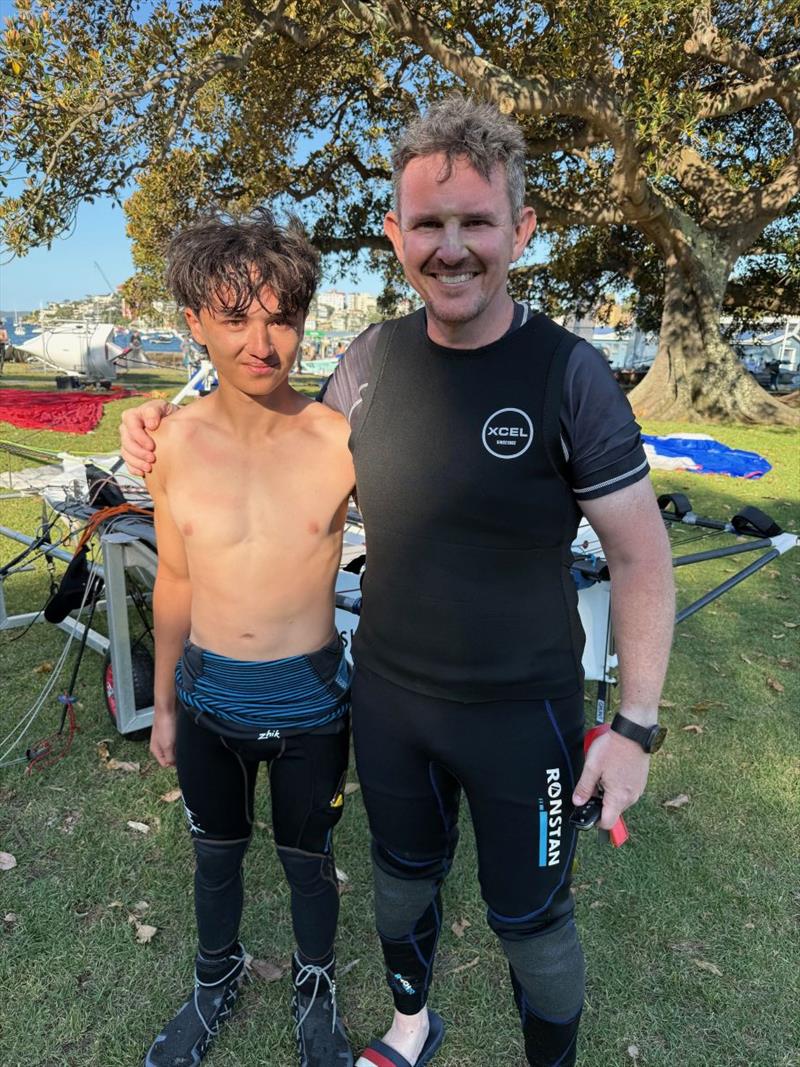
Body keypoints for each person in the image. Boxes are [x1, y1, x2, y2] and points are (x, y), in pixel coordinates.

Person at [121, 96, 675, 1067]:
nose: (450, 246)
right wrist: (165, 424)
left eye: (474, 221)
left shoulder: (569, 374)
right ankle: (412, 1025)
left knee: (532, 925)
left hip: (523, 717)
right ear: (394, 233)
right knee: (397, 886)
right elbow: (279, 449)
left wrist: (630, 726)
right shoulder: (369, 362)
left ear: (521, 230)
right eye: (428, 223)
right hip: (388, 700)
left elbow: (639, 556)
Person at [140, 209, 356, 1067]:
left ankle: (316, 987)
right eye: (234, 317)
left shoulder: (343, 441)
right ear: (194, 322)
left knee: (310, 864)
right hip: (207, 702)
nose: (260, 341)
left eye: (280, 316)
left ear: (303, 320)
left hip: (311, 704)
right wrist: (160, 704)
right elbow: (176, 581)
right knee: (215, 858)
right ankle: (214, 977)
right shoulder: (172, 446)